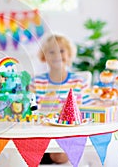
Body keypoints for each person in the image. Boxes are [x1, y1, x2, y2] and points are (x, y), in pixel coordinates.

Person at [30, 34, 89, 164]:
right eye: (51, 52)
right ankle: (39, 156)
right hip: (42, 133)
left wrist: (105, 102)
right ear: (44, 56)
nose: (57, 55)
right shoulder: (37, 82)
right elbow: (29, 110)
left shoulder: (78, 81)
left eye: (61, 51)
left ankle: (41, 157)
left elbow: (89, 105)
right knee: (24, 151)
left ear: (69, 54)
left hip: (68, 133)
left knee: (60, 156)